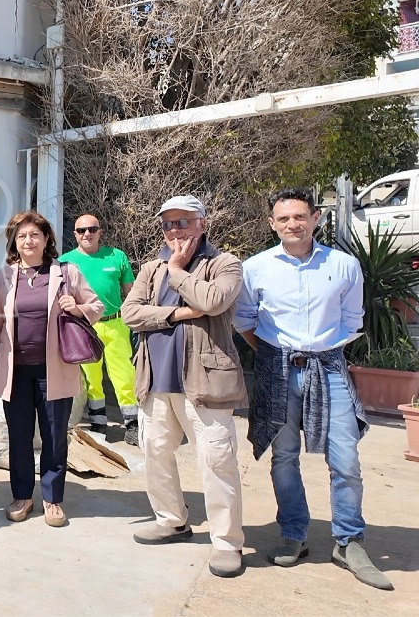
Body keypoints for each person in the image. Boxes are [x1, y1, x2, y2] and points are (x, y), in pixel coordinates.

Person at [234, 187, 392, 590]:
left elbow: (352, 321)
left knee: (346, 459)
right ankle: (293, 533)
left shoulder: (344, 265)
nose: (293, 224)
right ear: (272, 224)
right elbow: (245, 319)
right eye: (284, 218)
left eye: (300, 216)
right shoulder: (255, 268)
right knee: (284, 457)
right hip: (277, 369)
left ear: (315, 218)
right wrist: (274, 355)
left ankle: (349, 541)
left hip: (329, 368)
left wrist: (320, 351)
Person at [121, 195, 247, 579]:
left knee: (216, 461)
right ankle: (171, 520)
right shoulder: (150, 268)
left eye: (183, 222)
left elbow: (213, 300)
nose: (174, 230)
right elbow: (130, 313)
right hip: (156, 379)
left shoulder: (224, 264)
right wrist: (177, 313)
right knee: (155, 451)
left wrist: (177, 271)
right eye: (168, 224)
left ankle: (226, 542)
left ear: (202, 224)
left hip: (205, 381)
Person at [0, 211, 102, 528]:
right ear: (14, 242)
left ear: (46, 238)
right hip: (15, 372)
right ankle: (22, 496)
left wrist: (77, 308)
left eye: (34, 235)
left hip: (55, 371)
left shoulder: (66, 272)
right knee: (19, 437)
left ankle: (52, 499)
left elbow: (97, 306)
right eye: (22, 236)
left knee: (54, 437)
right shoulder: (3, 277)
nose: (28, 241)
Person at [60, 214, 139, 444]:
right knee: (90, 377)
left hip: (115, 323)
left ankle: (132, 423)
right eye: (81, 230)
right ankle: (98, 422)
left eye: (92, 229)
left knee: (124, 374)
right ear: (75, 234)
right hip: (84, 326)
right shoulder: (65, 261)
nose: (87, 234)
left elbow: (131, 292)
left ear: (100, 232)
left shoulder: (117, 256)